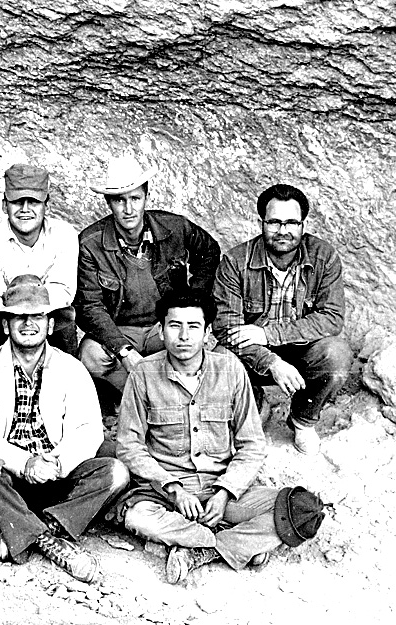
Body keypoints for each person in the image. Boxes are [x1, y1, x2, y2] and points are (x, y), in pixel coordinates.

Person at [116, 288, 306, 584]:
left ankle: (203, 549)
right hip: (165, 495)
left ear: (207, 332)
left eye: (193, 326)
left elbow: (252, 444)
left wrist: (225, 491)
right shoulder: (143, 373)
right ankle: (237, 543)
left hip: (224, 491)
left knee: (303, 509)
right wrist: (174, 489)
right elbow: (129, 446)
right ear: (161, 330)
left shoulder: (230, 369)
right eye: (174, 325)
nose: (183, 336)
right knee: (137, 516)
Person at [0, 274, 130, 583]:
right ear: (4, 325)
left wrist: (56, 463)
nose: (27, 324)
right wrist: (25, 464)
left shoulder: (72, 369)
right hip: (10, 476)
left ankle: (28, 529)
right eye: (18, 317)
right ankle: (49, 541)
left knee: (116, 472)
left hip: (55, 476)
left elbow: (88, 429)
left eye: (36, 316)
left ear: (50, 325)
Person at [212, 183, 353, 455]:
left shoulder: (324, 256)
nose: (283, 231)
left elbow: (332, 318)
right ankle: (255, 403)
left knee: (336, 354)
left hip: (301, 350)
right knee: (222, 361)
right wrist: (271, 360)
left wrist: (269, 334)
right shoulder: (235, 262)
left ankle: (303, 419)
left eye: (291, 222)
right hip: (253, 355)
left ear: (303, 224)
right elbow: (226, 329)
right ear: (261, 223)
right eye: (274, 222)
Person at [75, 155, 220, 396]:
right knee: (92, 356)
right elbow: (90, 306)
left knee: (192, 345)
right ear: (108, 203)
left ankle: (166, 398)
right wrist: (123, 350)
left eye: (135, 198)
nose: (129, 209)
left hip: (162, 325)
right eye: (120, 201)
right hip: (120, 328)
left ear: (146, 197)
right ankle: (141, 397)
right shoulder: (91, 243)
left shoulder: (174, 227)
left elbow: (209, 251)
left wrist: (193, 299)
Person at [0, 164, 79, 356]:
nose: (25, 209)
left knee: (65, 327)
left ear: (47, 204)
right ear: (4, 204)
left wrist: (31, 312)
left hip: (47, 320)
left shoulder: (65, 235)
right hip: (4, 323)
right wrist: (18, 317)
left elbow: (62, 292)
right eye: (17, 202)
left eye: (34, 202)